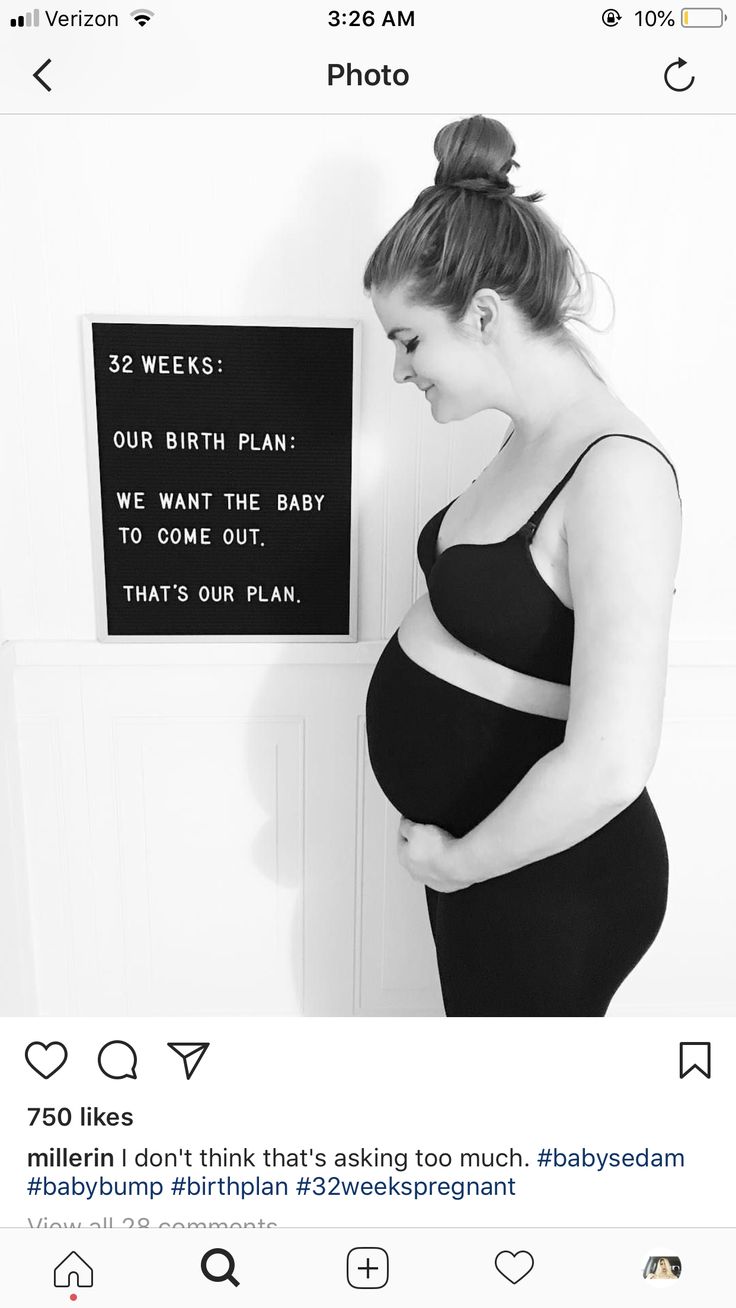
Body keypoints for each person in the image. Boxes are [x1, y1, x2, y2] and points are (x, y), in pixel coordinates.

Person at [363, 115, 682, 1017]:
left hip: (553, 885)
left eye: (409, 339)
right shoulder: (524, 443)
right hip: (485, 867)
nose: (398, 370)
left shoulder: (616, 471)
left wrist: (457, 865)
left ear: (486, 314)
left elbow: (613, 762)